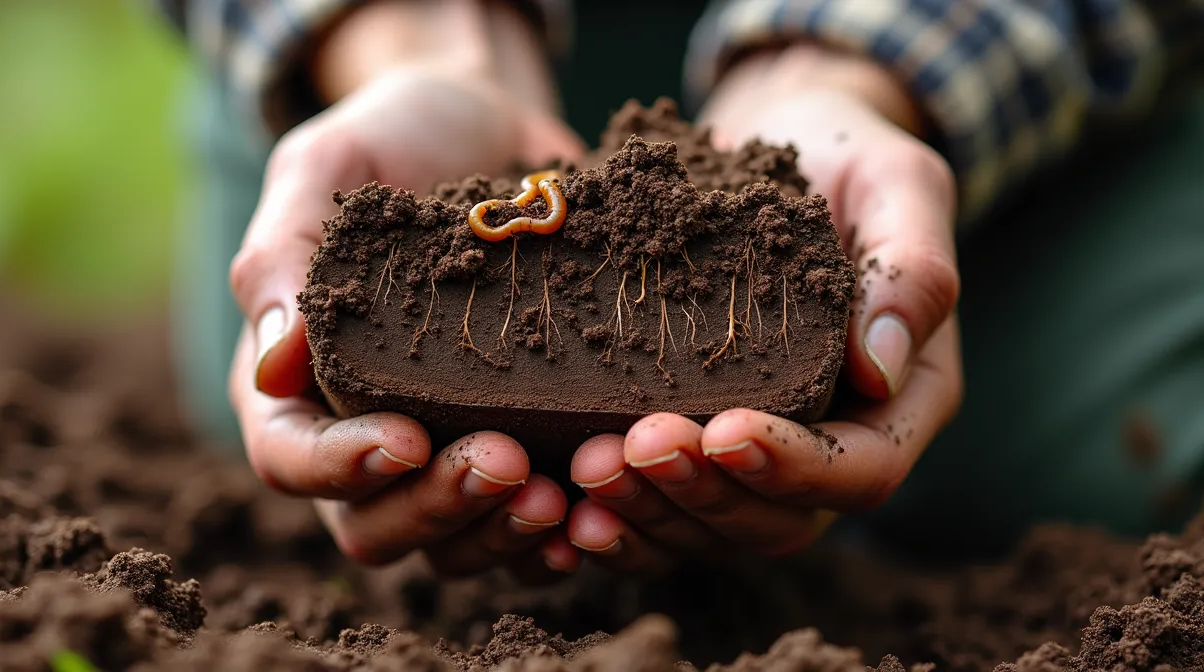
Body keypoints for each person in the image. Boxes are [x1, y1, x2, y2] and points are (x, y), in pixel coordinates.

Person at [157, 0, 1204, 579]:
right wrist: (411, 39)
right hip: (382, 47)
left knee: (1108, 457)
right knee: (284, 386)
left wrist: (846, 75)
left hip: (1000, 59)